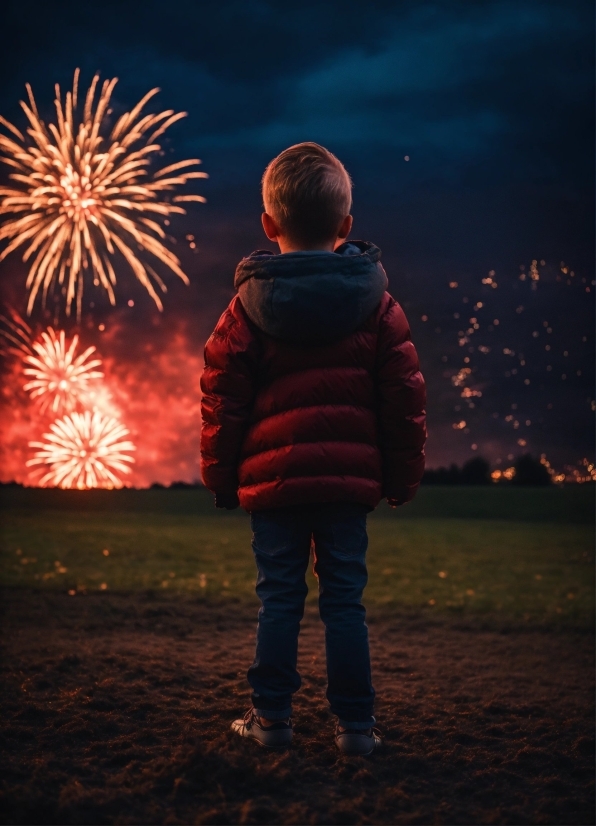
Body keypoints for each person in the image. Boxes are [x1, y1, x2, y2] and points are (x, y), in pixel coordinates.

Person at [200, 142, 426, 755]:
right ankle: (356, 728)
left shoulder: (244, 310)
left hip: (274, 487)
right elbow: (403, 401)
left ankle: (271, 721)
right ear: (347, 226)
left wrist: (222, 479)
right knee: (344, 602)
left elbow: (224, 401)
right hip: (348, 487)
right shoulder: (379, 307)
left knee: (279, 599)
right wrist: (402, 479)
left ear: (268, 224)